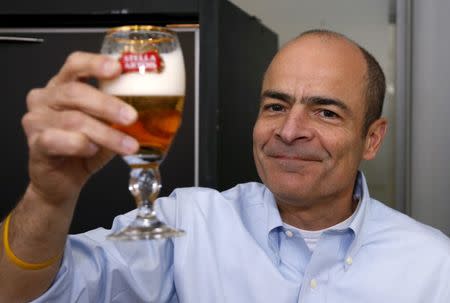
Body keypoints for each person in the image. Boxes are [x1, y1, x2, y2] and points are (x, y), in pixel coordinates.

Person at [0, 29, 449, 303]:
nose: (289, 131)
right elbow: (25, 293)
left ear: (372, 138)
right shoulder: (187, 224)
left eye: (325, 112)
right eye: (275, 106)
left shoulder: (435, 268)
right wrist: (48, 196)